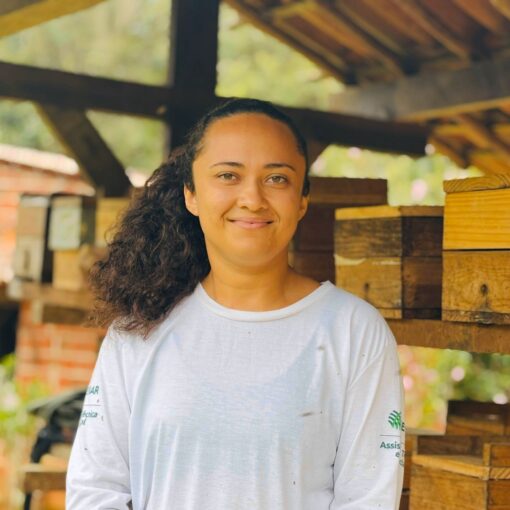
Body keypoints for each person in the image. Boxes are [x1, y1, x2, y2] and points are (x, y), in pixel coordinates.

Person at [66, 97, 405, 509]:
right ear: (191, 194)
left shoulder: (354, 332)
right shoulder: (139, 328)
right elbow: (95, 490)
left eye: (277, 178)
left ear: (302, 201)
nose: (252, 198)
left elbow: (368, 499)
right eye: (228, 175)